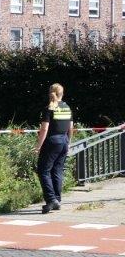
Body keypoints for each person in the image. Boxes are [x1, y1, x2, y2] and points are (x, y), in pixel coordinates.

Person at [34, 83, 74, 214]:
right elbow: (71, 128)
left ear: (50, 93)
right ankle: (57, 200)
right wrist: (68, 143)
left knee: (43, 171)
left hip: (52, 141)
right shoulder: (67, 108)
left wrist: (38, 146)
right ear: (62, 93)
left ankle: (51, 200)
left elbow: (44, 129)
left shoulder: (49, 109)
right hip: (64, 141)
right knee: (57, 170)